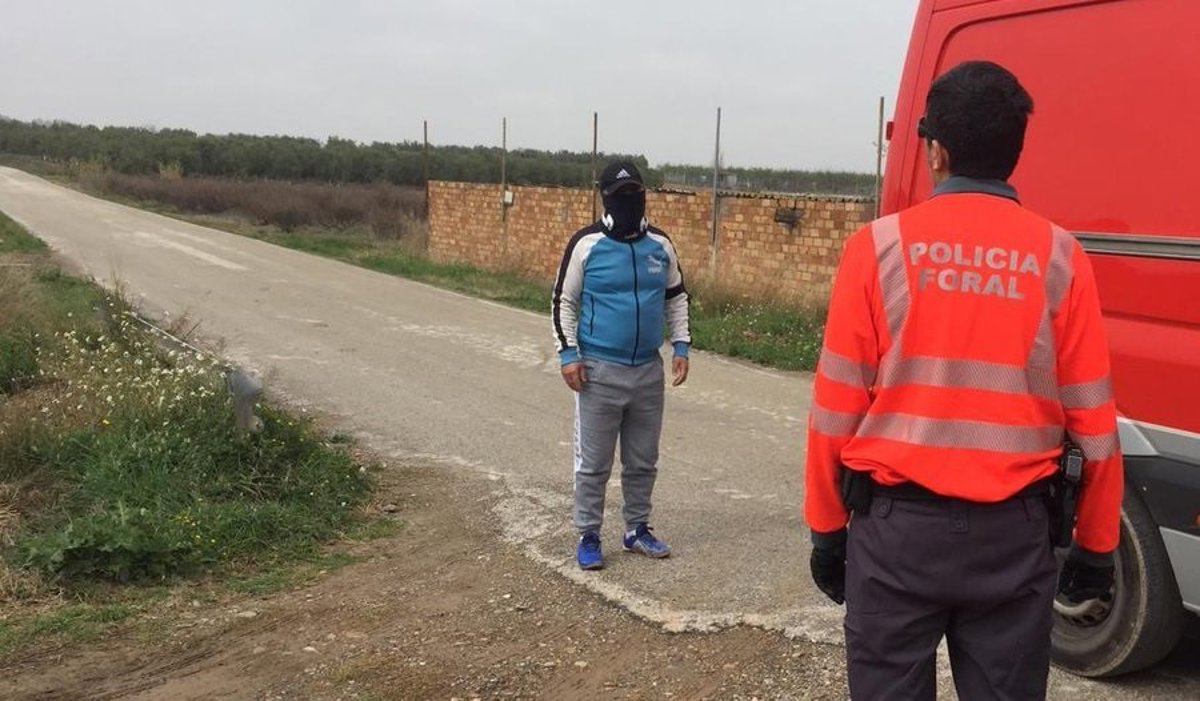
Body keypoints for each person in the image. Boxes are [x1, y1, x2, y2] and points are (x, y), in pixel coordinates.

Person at [803, 61, 1123, 700]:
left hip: (895, 538)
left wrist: (827, 528)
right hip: (1014, 539)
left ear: (936, 150)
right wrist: (1096, 544)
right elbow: (1095, 422)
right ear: (1014, 151)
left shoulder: (877, 248)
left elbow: (834, 409)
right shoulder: (1062, 257)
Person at [551, 160, 691, 571]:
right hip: (598, 371)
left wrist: (681, 345)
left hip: (647, 370)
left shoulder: (660, 245)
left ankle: (636, 529)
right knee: (593, 464)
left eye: (635, 194)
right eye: (620, 196)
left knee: (643, 460)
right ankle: (588, 534)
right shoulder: (586, 245)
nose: (629, 202)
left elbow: (676, 297)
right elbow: (564, 302)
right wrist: (568, 354)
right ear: (605, 198)